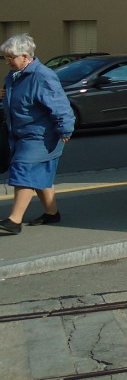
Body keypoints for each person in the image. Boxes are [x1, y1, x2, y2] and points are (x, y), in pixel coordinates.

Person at [1, 33, 74, 234]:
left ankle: (14, 221)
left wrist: (65, 128)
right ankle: (52, 213)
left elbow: (60, 105)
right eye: (5, 57)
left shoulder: (42, 75)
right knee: (41, 176)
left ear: (25, 56)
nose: (8, 61)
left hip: (41, 136)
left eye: (11, 57)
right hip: (22, 134)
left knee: (23, 170)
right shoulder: (15, 76)